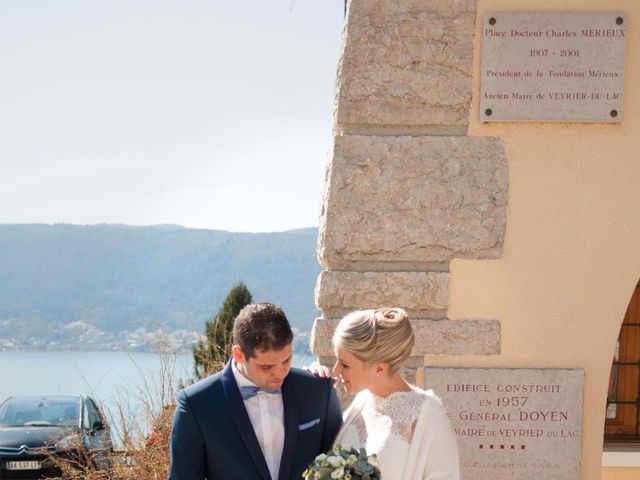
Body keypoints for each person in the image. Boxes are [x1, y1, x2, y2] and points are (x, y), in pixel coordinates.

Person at [169, 302, 342, 480]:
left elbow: (339, 463)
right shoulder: (196, 405)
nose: (280, 373)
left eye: (286, 360)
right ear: (238, 354)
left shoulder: (319, 391)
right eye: (266, 367)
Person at [330, 307, 460, 480]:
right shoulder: (361, 402)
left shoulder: (427, 414)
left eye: (345, 365)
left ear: (379, 368)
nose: (336, 370)